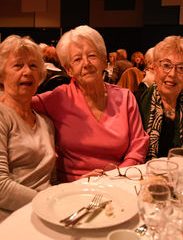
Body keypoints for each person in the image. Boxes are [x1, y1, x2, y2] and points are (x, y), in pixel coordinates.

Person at [32, 25, 149, 183]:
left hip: (118, 182)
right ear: (69, 69)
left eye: (92, 56)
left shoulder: (125, 98)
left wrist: (114, 176)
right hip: (71, 187)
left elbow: (138, 146)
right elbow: (17, 103)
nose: (86, 63)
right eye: (77, 59)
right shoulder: (58, 98)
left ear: (104, 60)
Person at [0, 35, 56, 222]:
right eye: (18, 65)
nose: (27, 72)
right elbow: (0, 188)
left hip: (46, 214)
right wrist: (50, 202)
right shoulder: (2, 116)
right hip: (11, 219)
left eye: (33, 66)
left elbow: (51, 180)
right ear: (1, 74)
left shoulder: (46, 122)